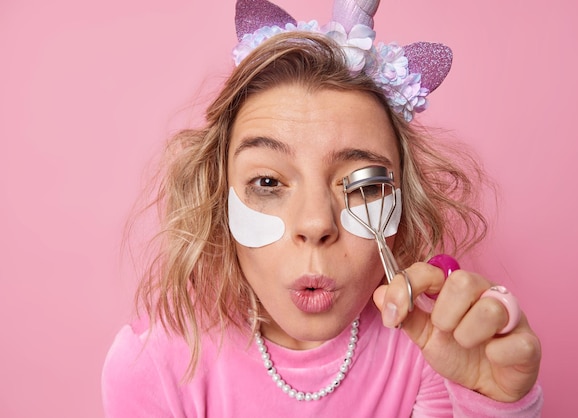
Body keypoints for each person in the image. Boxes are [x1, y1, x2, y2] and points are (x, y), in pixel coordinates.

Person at [102, 0, 543, 416]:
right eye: (268, 182)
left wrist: (490, 404)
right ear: (220, 201)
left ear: (405, 206)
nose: (316, 224)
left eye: (363, 185)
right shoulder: (152, 365)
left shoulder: (436, 350)